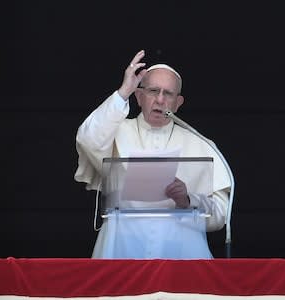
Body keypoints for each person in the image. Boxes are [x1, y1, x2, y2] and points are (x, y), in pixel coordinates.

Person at [75, 50, 231, 259]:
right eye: (153, 91)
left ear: (178, 102)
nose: (160, 99)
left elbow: (220, 216)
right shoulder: (114, 131)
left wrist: (188, 200)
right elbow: (88, 139)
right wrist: (123, 91)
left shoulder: (200, 143)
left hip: (182, 252)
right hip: (121, 247)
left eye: (168, 94)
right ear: (139, 96)